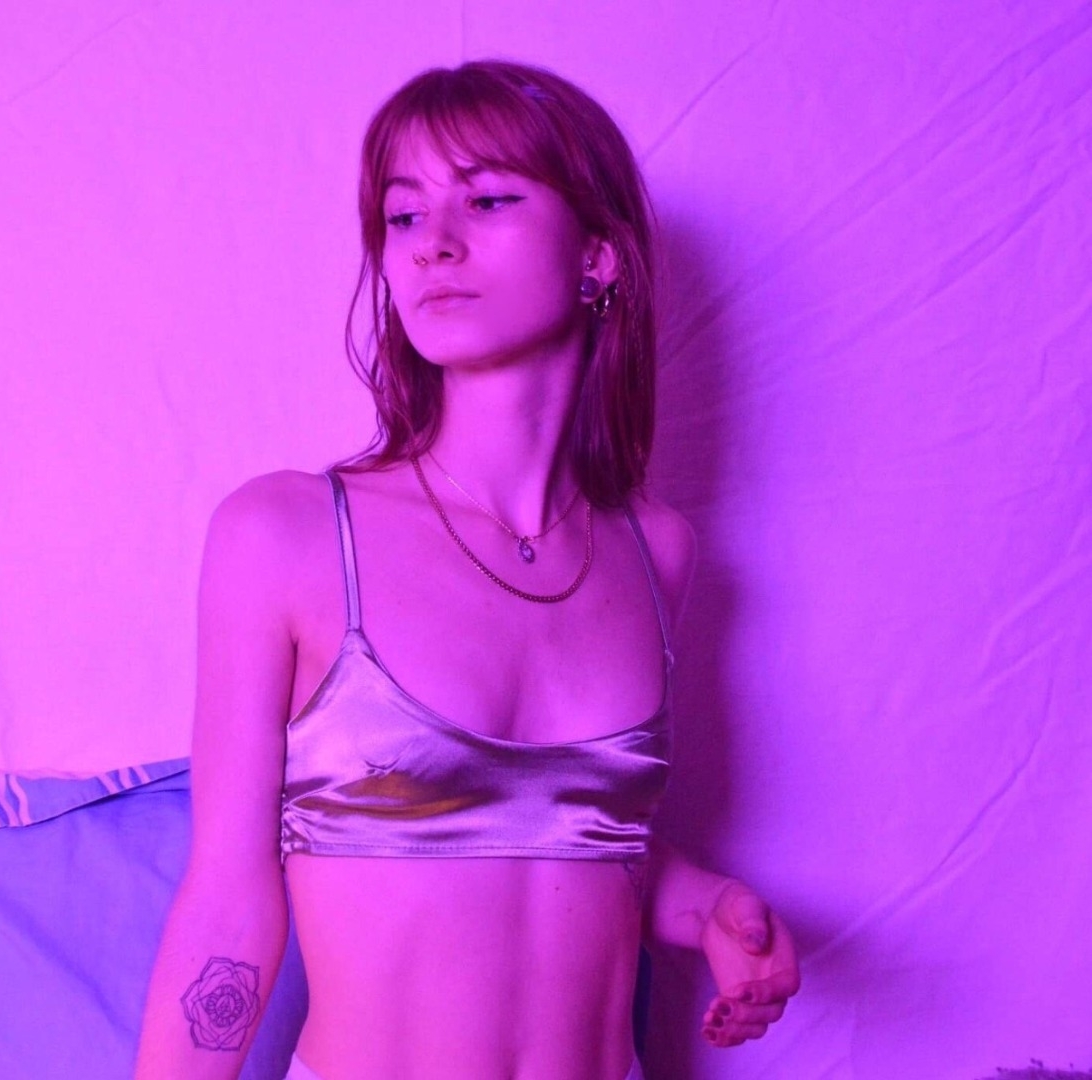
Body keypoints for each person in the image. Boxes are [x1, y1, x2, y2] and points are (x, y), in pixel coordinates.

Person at [135, 59, 799, 1080]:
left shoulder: (653, 550)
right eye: (403, 215)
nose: (432, 242)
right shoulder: (289, 535)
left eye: (487, 201)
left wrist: (707, 904)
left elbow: (571, 841)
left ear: (598, 254)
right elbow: (229, 901)